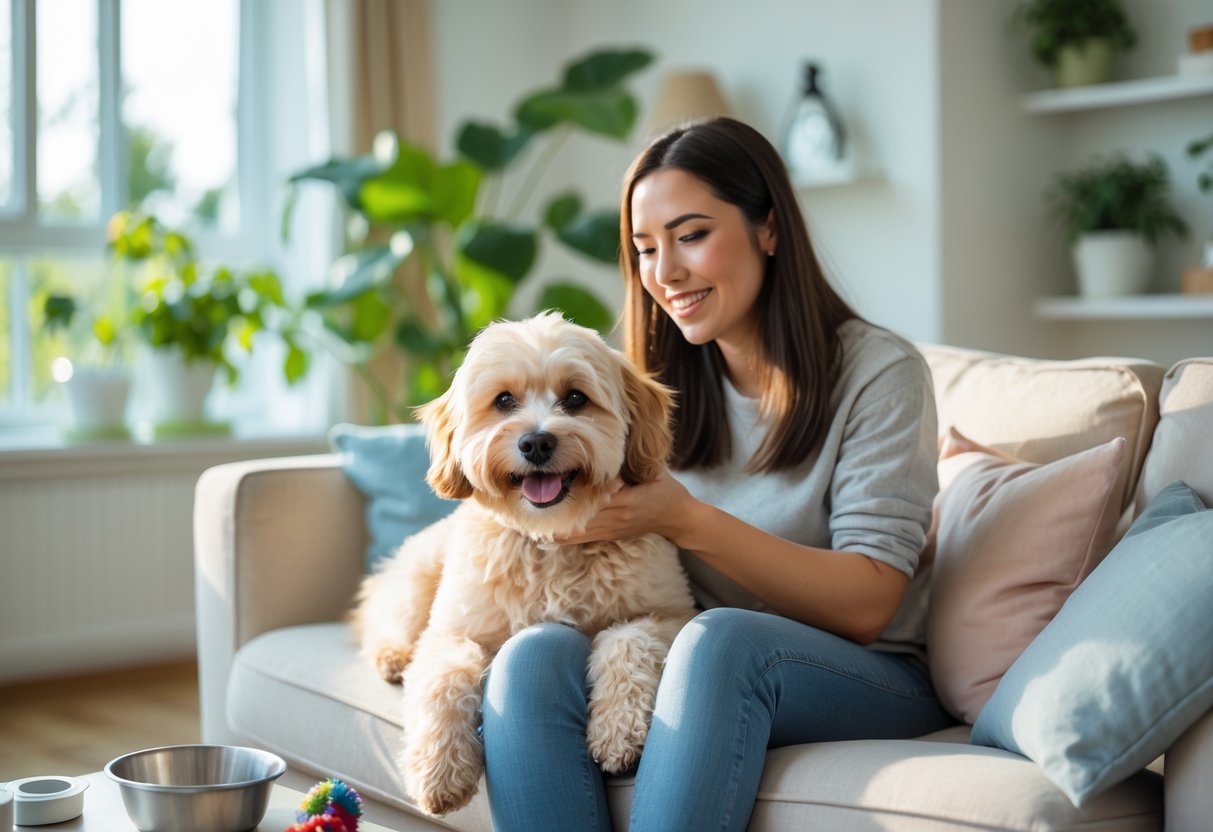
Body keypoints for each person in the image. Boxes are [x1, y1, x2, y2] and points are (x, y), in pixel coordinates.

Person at [479, 116, 952, 832]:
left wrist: (682, 518)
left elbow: (868, 605)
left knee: (721, 641)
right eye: (644, 248)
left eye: (690, 235)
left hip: (867, 672)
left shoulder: (879, 374)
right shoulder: (642, 386)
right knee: (534, 658)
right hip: (692, 651)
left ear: (767, 227)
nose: (664, 272)